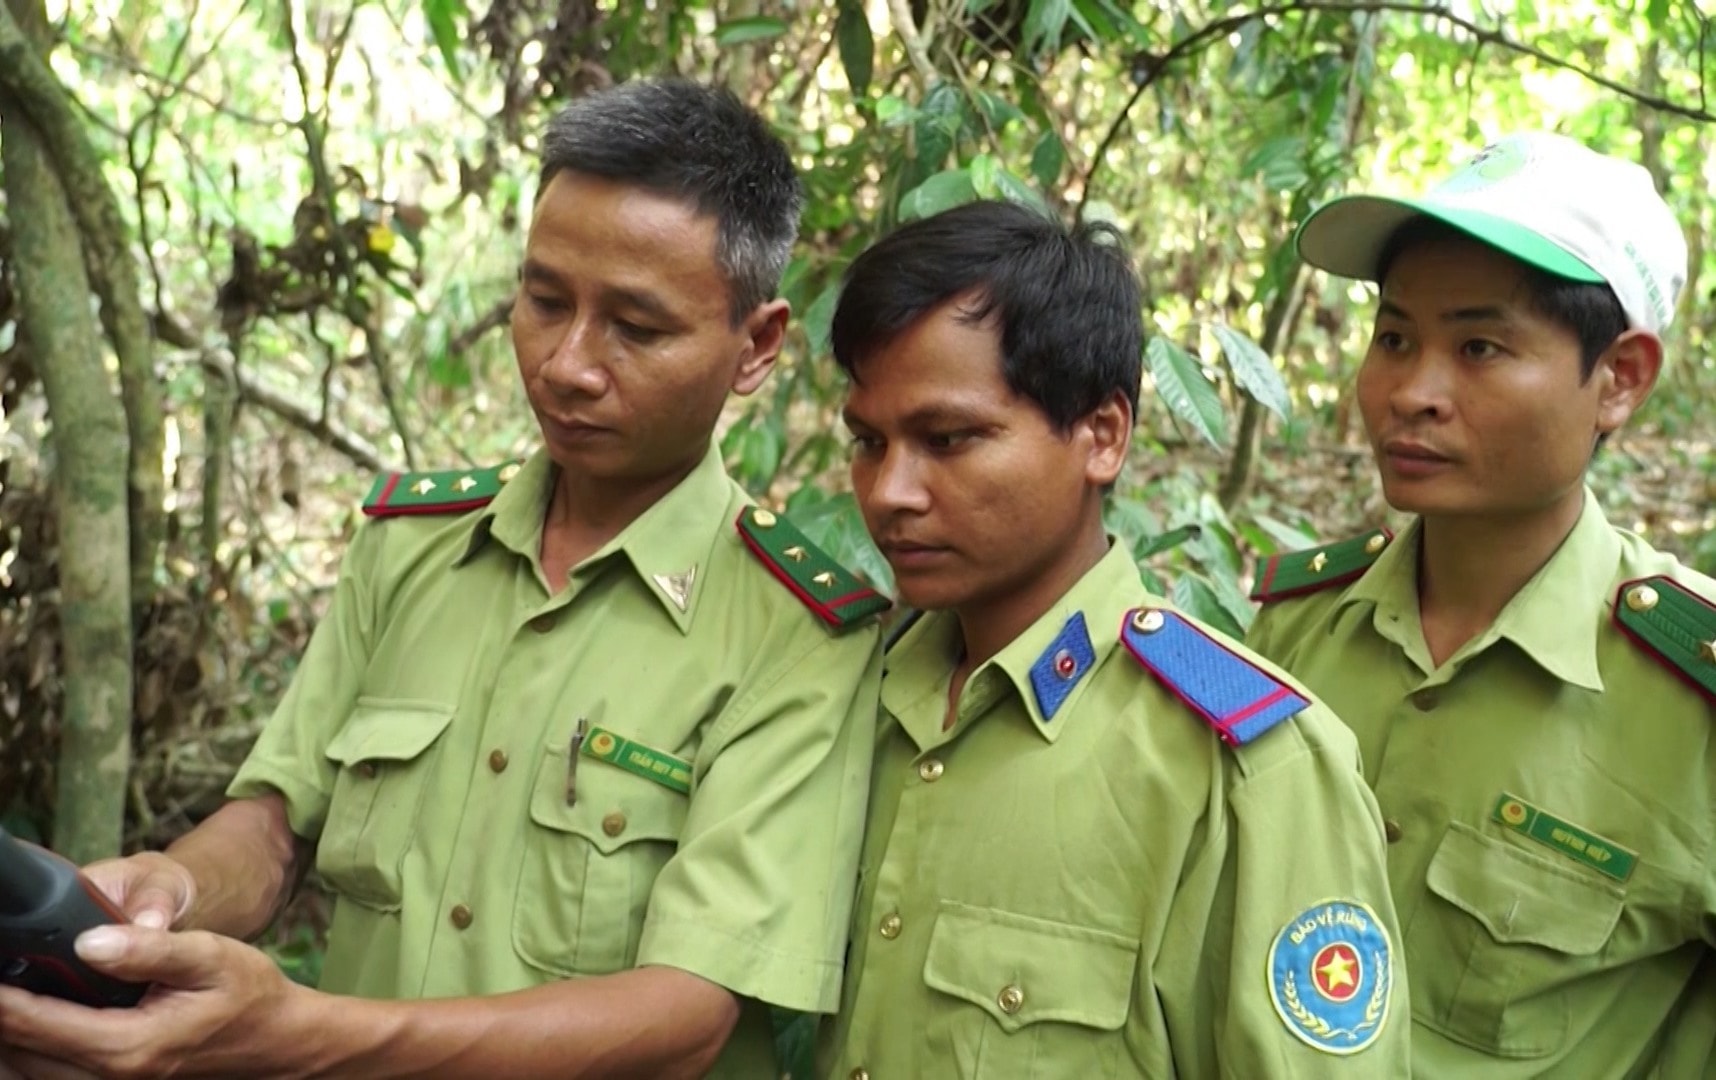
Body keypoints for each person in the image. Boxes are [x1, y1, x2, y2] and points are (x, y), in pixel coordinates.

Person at [0, 79, 887, 1079]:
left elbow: (685, 1016)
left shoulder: (799, 635)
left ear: (757, 346)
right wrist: (171, 894)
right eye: (544, 300)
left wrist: (300, 1039)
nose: (567, 364)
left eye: (636, 329)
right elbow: (280, 821)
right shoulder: (414, 545)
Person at [821, 199, 1410, 1078]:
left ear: (1102, 435)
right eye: (869, 441)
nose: (890, 492)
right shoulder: (846, 695)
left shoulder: (1246, 772)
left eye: (949, 440)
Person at [1246, 131, 1716, 1077]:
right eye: (1393, 338)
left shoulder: (1689, 702)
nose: (1410, 393)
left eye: (1480, 346)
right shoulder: (1294, 625)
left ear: (1618, 378)